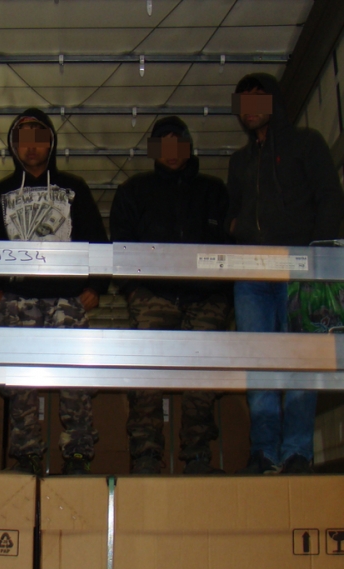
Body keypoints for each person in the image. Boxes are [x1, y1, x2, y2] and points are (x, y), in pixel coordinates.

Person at [0, 108, 109, 475]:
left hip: (68, 298)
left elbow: (98, 241)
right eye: (23, 141)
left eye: (39, 139)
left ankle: (78, 455)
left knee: (75, 375)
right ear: (13, 146)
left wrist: (96, 286)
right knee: (19, 380)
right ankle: (27, 455)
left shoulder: (74, 188)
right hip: (16, 300)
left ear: (51, 143)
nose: (31, 148)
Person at [227, 73, 344, 474]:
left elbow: (330, 196)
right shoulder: (239, 161)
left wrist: (319, 258)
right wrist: (235, 227)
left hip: (300, 269)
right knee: (257, 363)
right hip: (251, 272)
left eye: (258, 99)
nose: (250, 109)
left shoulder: (307, 143)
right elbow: (230, 211)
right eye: (243, 102)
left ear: (275, 101)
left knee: (301, 362)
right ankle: (263, 452)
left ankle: (297, 452)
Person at [110, 116, 231, 475]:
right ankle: (146, 455)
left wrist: (224, 294)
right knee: (147, 378)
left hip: (207, 299)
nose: (171, 152)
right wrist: (134, 291)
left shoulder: (214, 190)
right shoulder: (133, 190)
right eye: (162, 145)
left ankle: (197, 456)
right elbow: (120, 243)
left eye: (178, 143)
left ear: (189, 146)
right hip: (153, 296)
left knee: (202, 378)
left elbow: (232, 243)